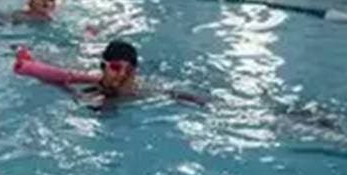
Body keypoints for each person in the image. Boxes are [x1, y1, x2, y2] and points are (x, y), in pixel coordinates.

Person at [17, 40, 208, 108]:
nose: (122, 74)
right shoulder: (85, 88)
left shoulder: (140, 90)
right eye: (116, 67)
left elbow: (171, 94)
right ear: (103, 66)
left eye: (128, 70)